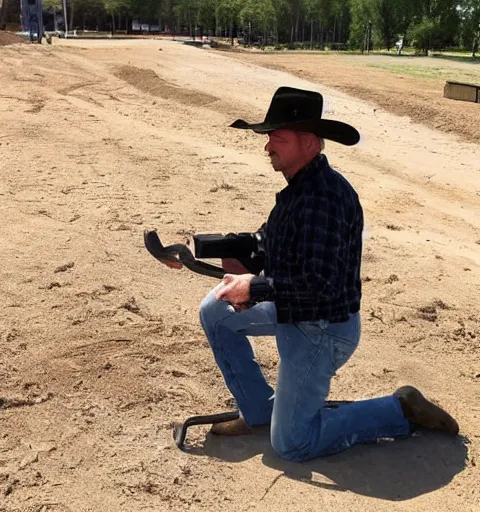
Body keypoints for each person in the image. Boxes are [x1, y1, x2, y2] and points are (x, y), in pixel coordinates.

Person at [194, 87, 459, 462]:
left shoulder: (324, 199)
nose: (268, 146)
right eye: (269, 137)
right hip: (297, 311)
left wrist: (253, 285)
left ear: (309, 144)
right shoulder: (299, 189)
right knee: (215, 309)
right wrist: (207, 250)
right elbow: (265, 242)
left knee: (292, 444)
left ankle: (400, 408)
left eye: (278, 138)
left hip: (322, 328)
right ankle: (260, 413)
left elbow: (321, 287)